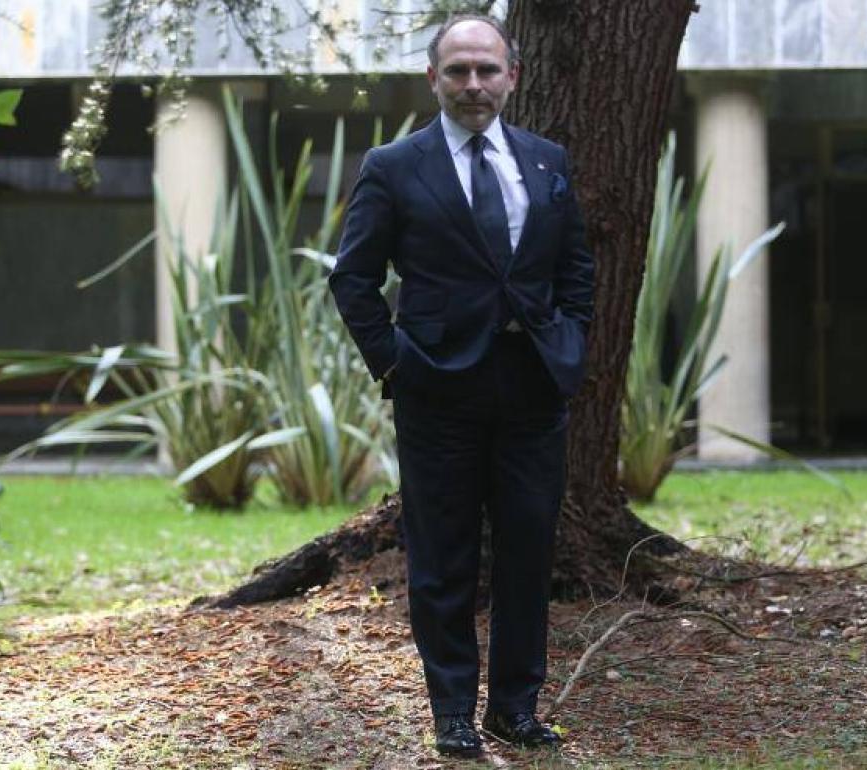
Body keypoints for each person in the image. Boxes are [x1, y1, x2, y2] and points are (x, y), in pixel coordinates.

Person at [329, 13, 593, 758]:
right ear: (433, 79)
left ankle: (515, 708)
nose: (473, 84)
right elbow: (353, 278)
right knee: (442, 557)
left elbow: (575, 267)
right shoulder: (394, 164)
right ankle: (451, 711)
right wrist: (394, 362)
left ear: (512, 75)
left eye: (486, 70)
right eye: (458, 71)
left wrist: (569, 340)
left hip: (532, 388)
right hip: (437, 391)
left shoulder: (547, 162)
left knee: (526, 552)